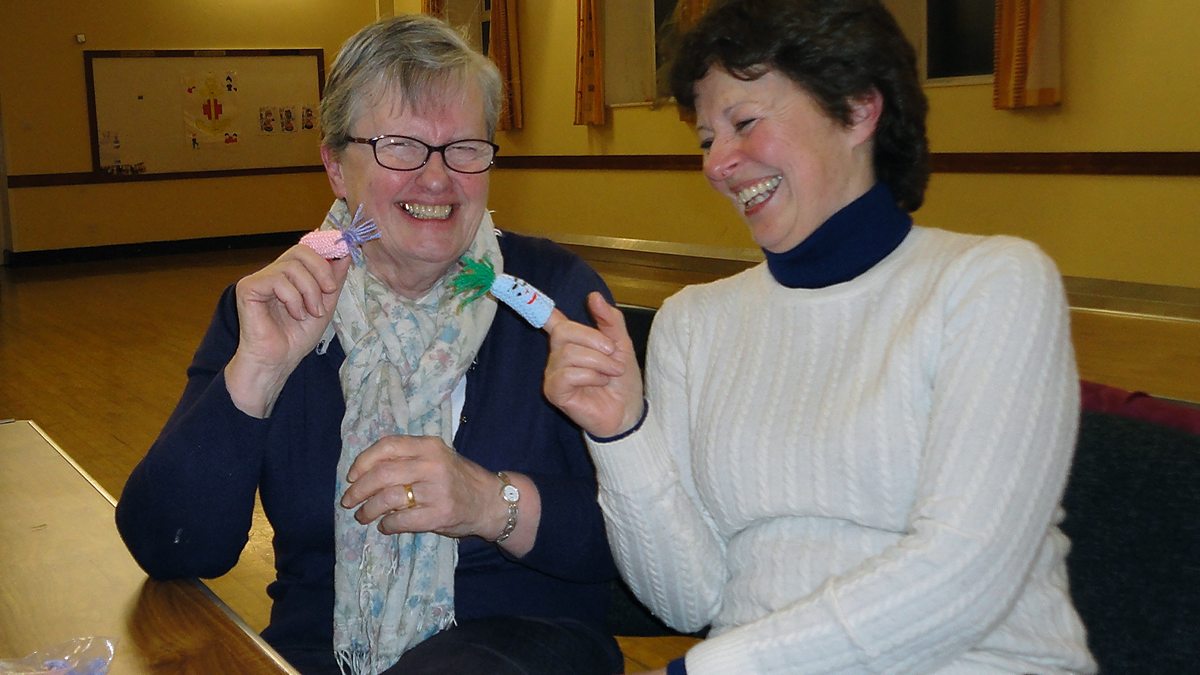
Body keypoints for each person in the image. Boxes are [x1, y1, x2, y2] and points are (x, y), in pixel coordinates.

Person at [542, 0, 1096, 673]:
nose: (716, 164)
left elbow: (965, 572)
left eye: (744, 122)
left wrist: (709, 669)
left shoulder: (991, 283)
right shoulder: (693, 322)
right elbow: (688, 601)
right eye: (707, 139)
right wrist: (622, 436)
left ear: (858, 109)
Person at [116, 15, 623, 675]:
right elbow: (171, 546)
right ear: (335, 165)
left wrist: (489, 501)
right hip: (321, 650)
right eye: (400, 146)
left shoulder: (557, 298)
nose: (437, 178)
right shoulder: (277, 305)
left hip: (526, 642)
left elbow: (638, 545)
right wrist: (259, 370)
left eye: (465, 147)